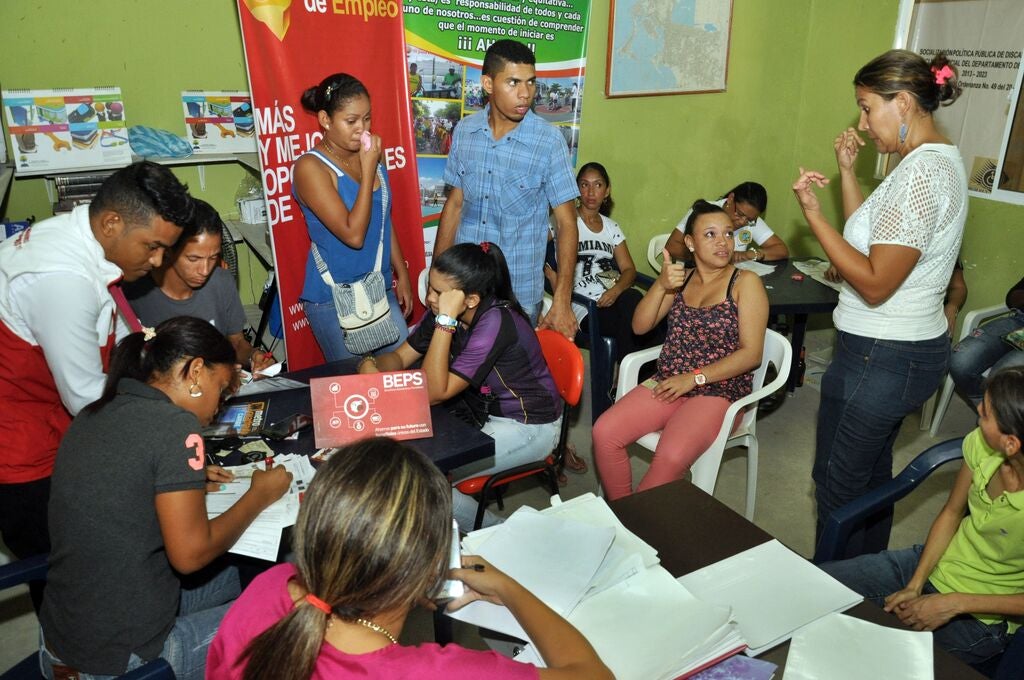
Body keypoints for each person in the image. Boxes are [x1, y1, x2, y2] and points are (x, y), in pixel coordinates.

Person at [206, 437, 612, 680]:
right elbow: (593, 676)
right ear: (427, 568)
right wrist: (511, 589)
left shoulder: (270, 586)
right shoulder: (436, 673)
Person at [39, 316, 292, 680]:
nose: (218, 408)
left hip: (64, 638)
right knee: (292, 612)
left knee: (248, 570)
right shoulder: (176, 426)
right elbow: (190, 556)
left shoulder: (96, 411)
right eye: (220, 391)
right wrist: (258, 494)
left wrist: (179, 477)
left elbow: (123, 475)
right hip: (122, 660)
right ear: (195, 372)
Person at [792, 49, 967, 558]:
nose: (863, 124)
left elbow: (873, 282)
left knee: (837, 483)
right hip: (902, 347)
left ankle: (832, 594)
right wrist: (848, 172)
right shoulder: (932, 160)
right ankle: (863, 582)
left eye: (868, 108)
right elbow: (871, 238)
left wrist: (812, 217)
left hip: (882, 352)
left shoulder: (919, 175)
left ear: (905, 103)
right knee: (870, 475)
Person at [0, 161, 192, 601]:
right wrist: (168, 433)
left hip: (54, 423)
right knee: (68, 580)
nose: (159, 261)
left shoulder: (86, 240)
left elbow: (126, 341)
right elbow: (87, 397)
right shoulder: (61, 280)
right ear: (111, 222)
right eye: (153, 247)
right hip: (24, 455)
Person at [820, 366, 1024, 668]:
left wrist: (955, 603)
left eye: (986, 413)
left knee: (873, 662)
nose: (978, 409)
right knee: (817, 587)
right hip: (933, 563)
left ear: (1011, 443)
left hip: (983, 617)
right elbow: (952, 513)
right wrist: (916, 583)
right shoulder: (981, 445)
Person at [358, 242, 562, 529]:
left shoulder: (495, 323)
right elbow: (402, 356)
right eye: (430, 288)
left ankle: (499, 533)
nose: (429, 298)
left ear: (470, 300)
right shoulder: (444, 313)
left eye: (439, 294)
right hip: (481, 414)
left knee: (425, 485)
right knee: (412, 466)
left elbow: (433, 394)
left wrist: (444, 319)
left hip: (530, 426)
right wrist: (372, 363)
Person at [593, 200, 769, 500]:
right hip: (670, 379)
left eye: (728, 234)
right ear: (690, 242)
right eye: (710, 235)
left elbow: (751, 354)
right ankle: (624, 511)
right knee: (604, 433)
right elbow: (639, 326)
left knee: (671, 455)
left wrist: (695, 378)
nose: (723, 242)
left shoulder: (745, 283)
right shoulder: (681, 280)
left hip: (719, 390)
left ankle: (635, 523)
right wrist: (661, 286)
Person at [435, 39, 580, 340]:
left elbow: (567, 224)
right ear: (488, 83)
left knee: (511, 383)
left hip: (518, 294)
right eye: (513, 82)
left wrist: (563, 299)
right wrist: (437, 281)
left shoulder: (548, 142)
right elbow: (455, 206)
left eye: (530, 83)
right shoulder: (465, 132)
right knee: (458, 374)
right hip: (465, 286)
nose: (525, 94)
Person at [293, 72, 413, 361]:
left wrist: (402, 274)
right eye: (351, 121)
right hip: (334, 298)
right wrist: (369, 167)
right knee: (353, 392)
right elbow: (354, 235)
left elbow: (382, 218)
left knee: (402, 377)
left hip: (378, 286)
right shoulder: (311, 168)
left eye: (368, 119)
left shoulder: (368, 155)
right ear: (325, 120)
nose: (362, 129)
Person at [126, 199, 275, 374]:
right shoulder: (135, 292)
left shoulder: (221, 281)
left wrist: (254, 355)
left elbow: (236, 343)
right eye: (194, 259)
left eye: (213, 257)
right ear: (168, 250)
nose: (205, 270)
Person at [545, 162, 653, 364]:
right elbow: (534, 249)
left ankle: (628, 379)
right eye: (584, 185)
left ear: (607, 190)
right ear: (576, 189)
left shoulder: (611, 227)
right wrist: (551, 275)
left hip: (614, 297)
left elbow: (629, 270)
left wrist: (615, 291)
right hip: (585, 305)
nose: (591, 192)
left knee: (640, 306)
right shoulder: (563, 221)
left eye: (598, 185)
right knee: (633, 317)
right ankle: (625, 380)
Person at [666, 182, 789, 264]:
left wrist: (752, 254)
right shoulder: (704, 212)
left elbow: (781, 250)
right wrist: (709, 256)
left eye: (749, 219)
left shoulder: (751, 221)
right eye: (739, 214)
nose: (742, 222)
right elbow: (672, 246)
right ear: (730, 199)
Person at [950, 274, 1024, 407]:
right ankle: (987, 409)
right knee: (959, 361)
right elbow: (1011, 299)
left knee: (1003, 382)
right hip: (1019, 320)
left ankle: (995, 416)